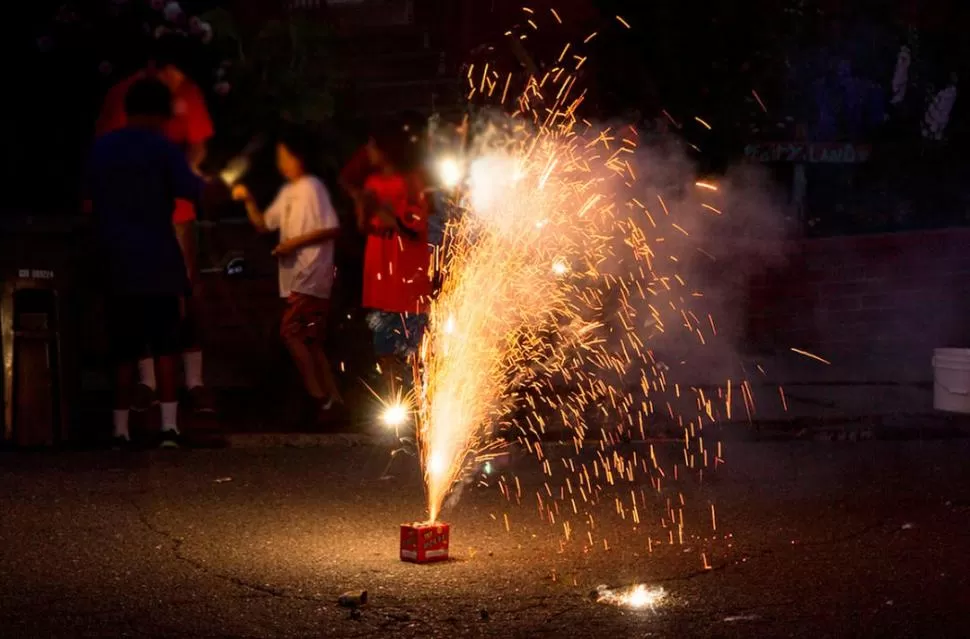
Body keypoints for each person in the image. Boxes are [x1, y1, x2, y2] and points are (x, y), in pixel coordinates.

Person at [95, 35, 215, 414]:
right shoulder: (124, 97)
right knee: (140, 297)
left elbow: (199, 143)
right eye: (174, 74)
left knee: (186, 289)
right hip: (137, 215)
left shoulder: (186, 91)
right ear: (154, 69)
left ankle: (192, 382)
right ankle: (147, 385)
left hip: (176, 208)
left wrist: (189, 174)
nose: (181, 83)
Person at [84, 77, 204, 448]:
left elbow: (86, 197)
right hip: (158, 257)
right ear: (159, 113)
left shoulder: (102, 148)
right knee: (165, 343)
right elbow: (192, 189)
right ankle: (169, 427)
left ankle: (120, 429)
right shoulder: (162, 147)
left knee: (123, 348)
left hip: (115, 257)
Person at [232, 131, 343, 416]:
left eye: (285, 157)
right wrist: (247, 201)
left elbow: (331, 228)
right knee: (311, 341)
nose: (282, 163)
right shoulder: (289, 193)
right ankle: (334, 400)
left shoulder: (313, 187)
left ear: (299, 158)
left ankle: (319, 399)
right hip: (297, 278)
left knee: (291, 334)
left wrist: (293, 243)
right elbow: (264, 225)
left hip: (311, 274)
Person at [359, 127, 433, 390]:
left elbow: (413, 225)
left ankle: (419, 411)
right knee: (385, 352)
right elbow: (364, 225)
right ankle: (396, 410)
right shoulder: (371, 184)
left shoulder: (412, 183)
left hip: (407, 285)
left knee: (414, 354)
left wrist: (389, 213)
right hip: (380, 284)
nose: (368, 152)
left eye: (372, 146)